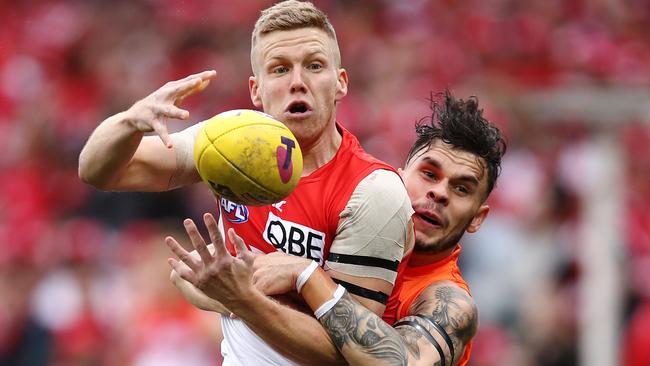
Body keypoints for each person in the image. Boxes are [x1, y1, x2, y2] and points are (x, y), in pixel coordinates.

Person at [78, 1, 413, 365]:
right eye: (280, 69)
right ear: (256, 90)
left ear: (340, 82)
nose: (297, 82)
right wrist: (129, 122)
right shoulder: (229, 145)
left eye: (314, 66)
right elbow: (99, 171)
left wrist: (238, 296)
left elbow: (356, 354)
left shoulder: (373, 191)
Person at [167, 91, 507, 365]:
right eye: (429, 174)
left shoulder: (449, 302)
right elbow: (198, 281)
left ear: (478, 217)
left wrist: (306, 276)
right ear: (398, 176)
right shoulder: (341, 225)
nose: (439, 193)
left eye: (462, 189)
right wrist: (231, 288)